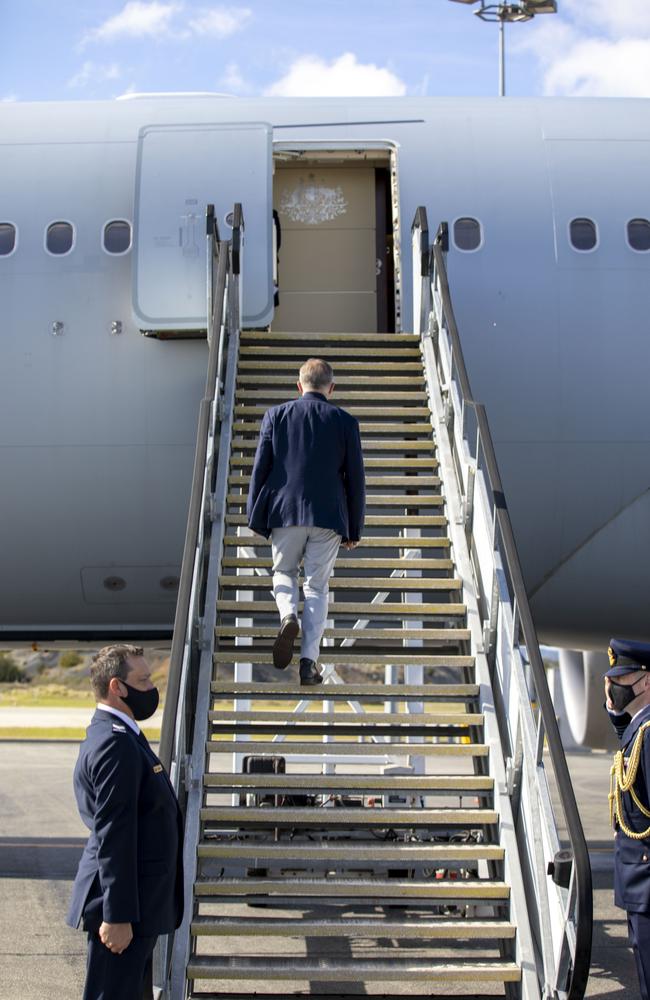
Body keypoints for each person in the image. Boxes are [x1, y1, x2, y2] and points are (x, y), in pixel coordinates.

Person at [67, 644, 184, 1000]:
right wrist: (117, 917)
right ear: (118, 687)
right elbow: (114, 833)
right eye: (144, 680)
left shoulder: (119, 734)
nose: (151, 688)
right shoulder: (116, 744)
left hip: (135, 907)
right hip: (122, 912)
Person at [246, 357, 365, 685]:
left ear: (299, 386)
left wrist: (255, 516)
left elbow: (261, 468)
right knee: (316, 587)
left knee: (283, 572)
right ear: (332, 387)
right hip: (329, 516)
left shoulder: (276, 415)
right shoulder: (346, 421)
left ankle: (287, 615)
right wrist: (354, 528)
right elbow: (356, 479)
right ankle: (308, 663)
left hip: (284, 511)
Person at [605, 637, 650, 1000]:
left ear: (645, 682)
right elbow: (624, 733)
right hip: (639, 887)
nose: (613, 688)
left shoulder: (649, 733)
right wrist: (613, 707)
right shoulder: (638, 728)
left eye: (621, 681)